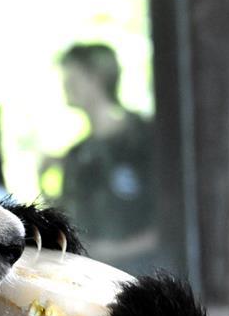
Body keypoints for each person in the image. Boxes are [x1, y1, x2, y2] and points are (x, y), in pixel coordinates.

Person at [53, 43, 158, 274]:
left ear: (97, 77)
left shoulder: (145, 138)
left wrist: (116, 250)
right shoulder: (77, 155)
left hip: (150, 276)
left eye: (73, 75)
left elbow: (171, 222)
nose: (65, 84)